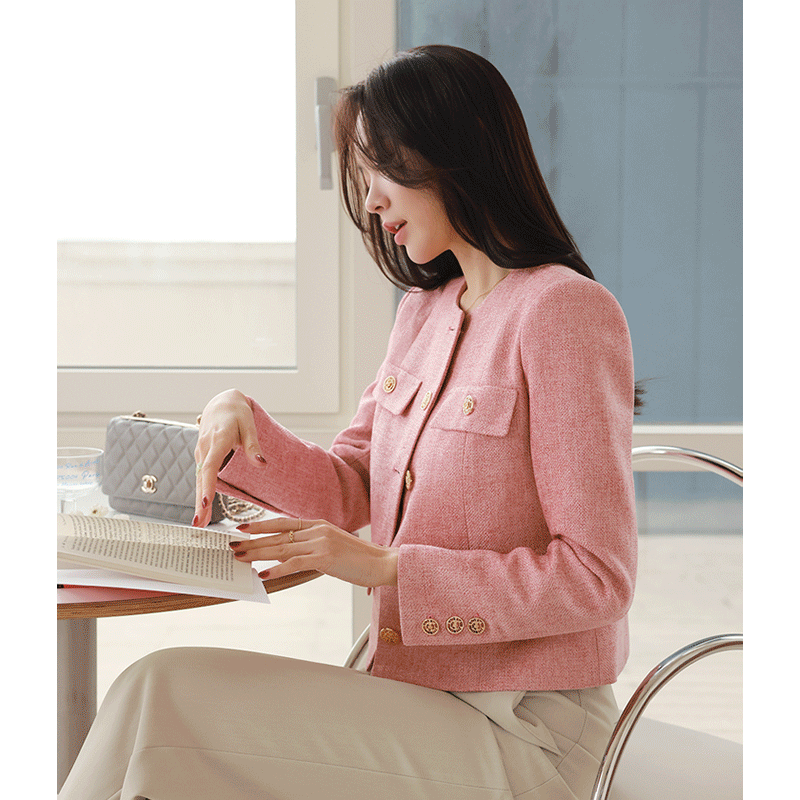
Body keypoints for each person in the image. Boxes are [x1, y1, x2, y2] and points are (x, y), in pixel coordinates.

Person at [59, 45, 639, 800]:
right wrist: (241, 423)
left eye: (381, 170)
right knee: (148, 694)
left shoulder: (563, 311)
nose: (370, 201)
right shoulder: (424, 312)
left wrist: (388, 569)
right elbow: (350, 486)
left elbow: (598, 577)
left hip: (527, 728)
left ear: (451, 153)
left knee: (164, 695)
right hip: (411, 691)